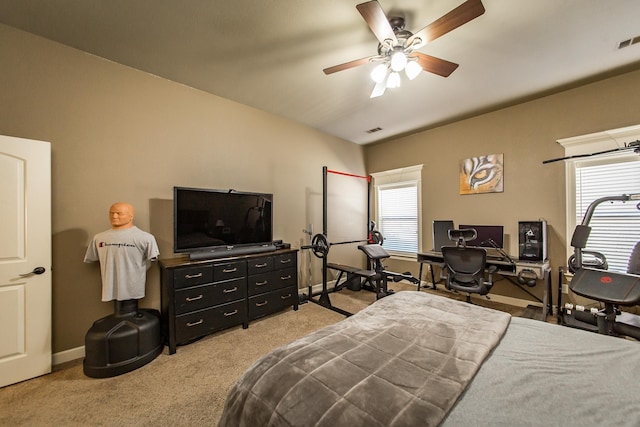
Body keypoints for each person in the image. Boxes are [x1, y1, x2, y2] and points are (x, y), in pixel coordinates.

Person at [84, 202, 159, 302]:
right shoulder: (98, 238)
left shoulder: (146, 238)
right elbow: (92, 257)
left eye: (119, 213)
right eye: (111, 213)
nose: (114, 216)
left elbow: (153, 257)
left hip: (134, 290)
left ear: (131, 216)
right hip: (109, 289)